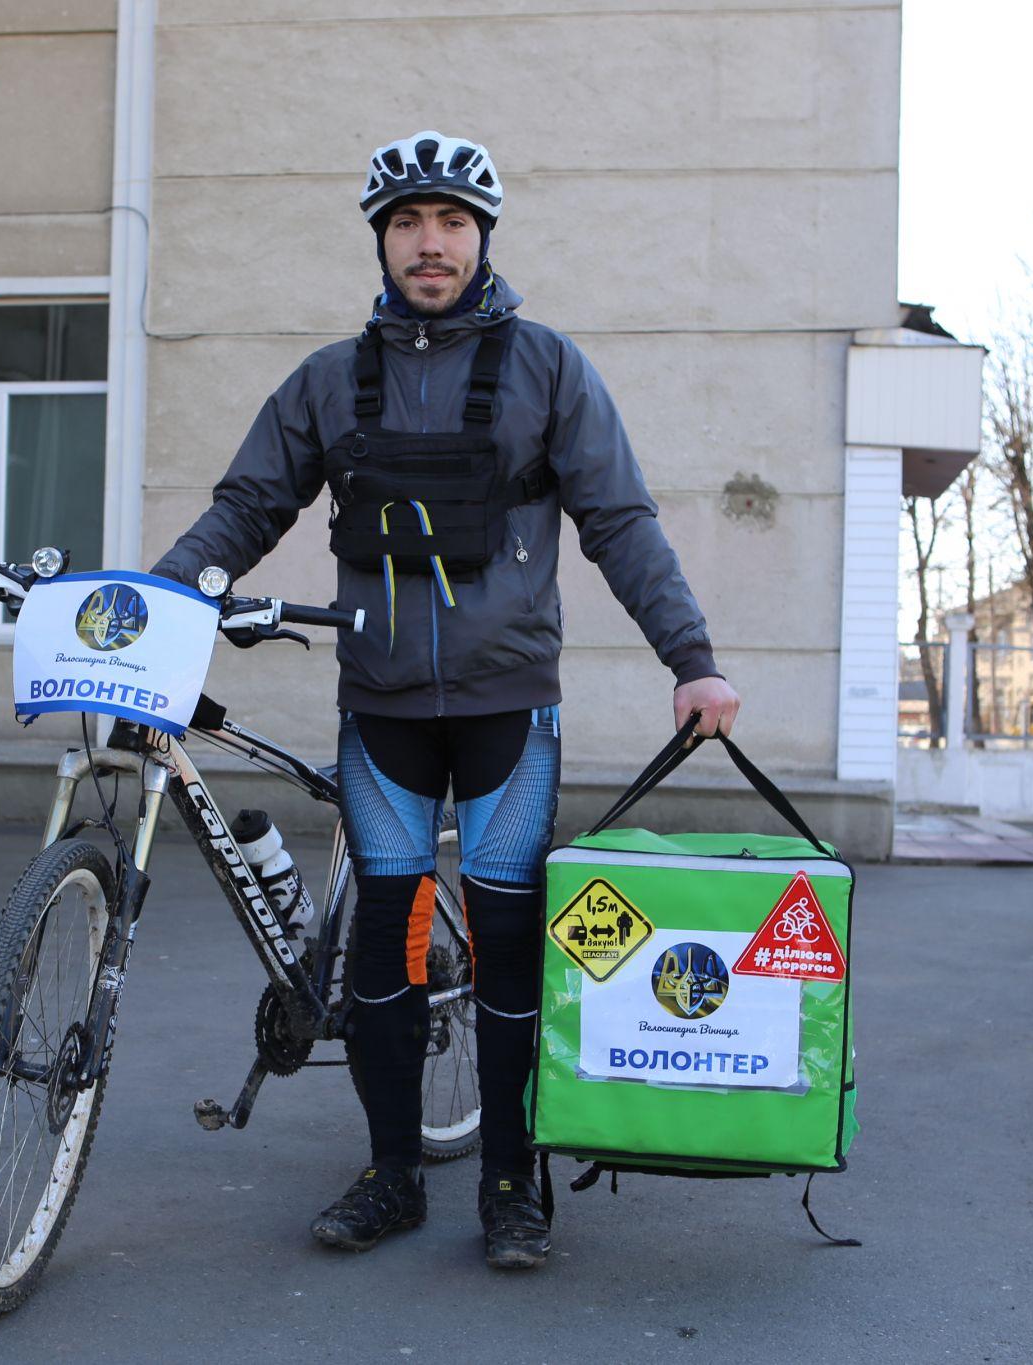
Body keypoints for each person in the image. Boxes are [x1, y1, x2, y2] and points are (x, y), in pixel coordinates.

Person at [153, 130, 738, 1270]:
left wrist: (692, 657)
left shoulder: (548, 368)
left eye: (454, 223)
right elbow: (242, 510)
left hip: (507, 707)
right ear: (379, 238)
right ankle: (388, 1173)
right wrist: (158, 602)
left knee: (511, 939)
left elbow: (619, 520)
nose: (432, 244)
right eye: (410, 223)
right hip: (381, 714)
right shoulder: (327, 381)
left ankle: (512, 1183)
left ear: (482, 237)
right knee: (388, 940)